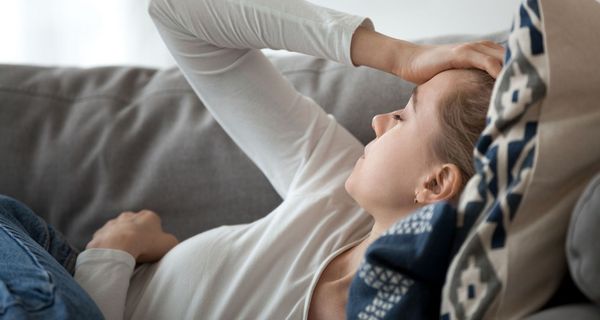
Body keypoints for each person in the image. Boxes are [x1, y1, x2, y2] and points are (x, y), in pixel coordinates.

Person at [0, 0, 503, 319]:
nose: (377, 120)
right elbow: (180, 11)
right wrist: (397, 55)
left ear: (435, 183)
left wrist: (110, 256)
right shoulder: (331, 185)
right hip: (43, 268)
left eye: (404, 116)